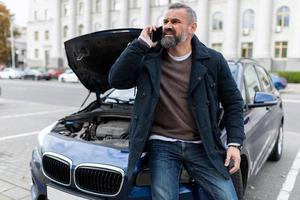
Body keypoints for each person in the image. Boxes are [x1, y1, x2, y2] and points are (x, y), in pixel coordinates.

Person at [109, 3, 245, 200]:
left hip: (202, 145)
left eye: (175, 21)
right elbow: (116, 80)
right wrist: (139, 45)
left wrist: (234, 144)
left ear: (192, 28)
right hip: (162, 144)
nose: (167, 25)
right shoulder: (148, 58)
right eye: (165, 21)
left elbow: (233, 103)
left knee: (228, 197)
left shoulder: (213, 60)